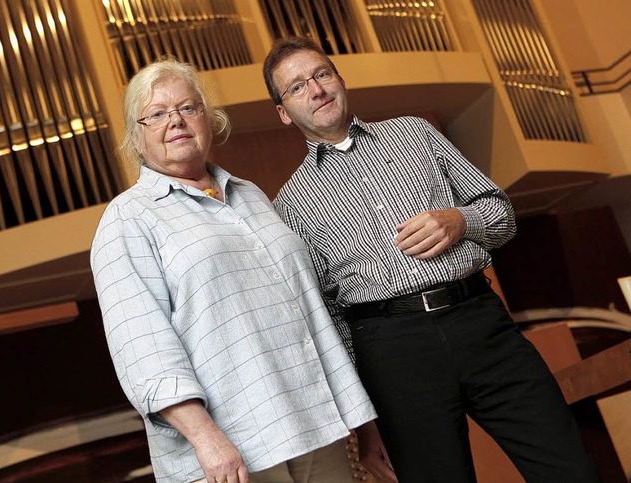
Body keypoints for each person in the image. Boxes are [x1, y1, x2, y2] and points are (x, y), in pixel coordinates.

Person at [262, 36, 601, 482]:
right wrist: (365, 424)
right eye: (298, 86)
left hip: (482, 325)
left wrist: (462, 221)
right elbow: (329, 316)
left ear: (340, 79)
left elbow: (501, 214)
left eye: (322, 74)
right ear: (285, 112)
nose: (317, 89)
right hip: (391, 354)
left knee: (570, 469)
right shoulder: (290, 203)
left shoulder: (416, 134)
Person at [90, 58, 380, 483]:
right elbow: (144, 352)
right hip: (231, 451)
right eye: (156, 114)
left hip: (316, 427)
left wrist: (364, 424)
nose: (176, 121)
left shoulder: (251, 194)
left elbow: (313, 313)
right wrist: (206, 440)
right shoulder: (127, 220)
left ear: (209, 120)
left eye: (188, 108)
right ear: (136, 137)